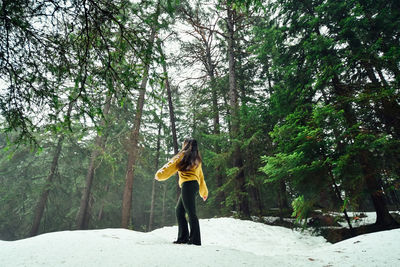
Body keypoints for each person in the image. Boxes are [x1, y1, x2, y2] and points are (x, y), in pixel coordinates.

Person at [154, 138, 208, 246]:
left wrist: (159, 175)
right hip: (193, 185)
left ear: (186, 145)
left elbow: (170, 166)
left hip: (187, 185)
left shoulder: (182, 155)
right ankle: (183, 237)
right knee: (179, 211)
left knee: (191, 213)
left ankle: (195, 240)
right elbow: (201, 176)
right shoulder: (197, 159)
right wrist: (203, 191)